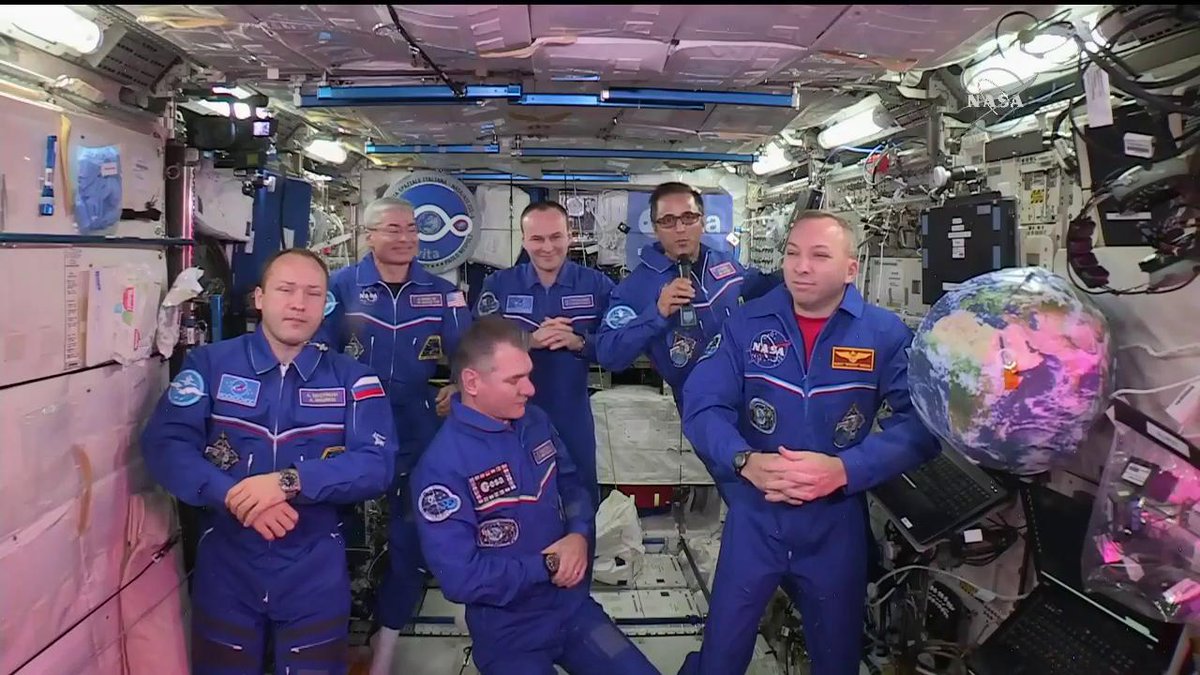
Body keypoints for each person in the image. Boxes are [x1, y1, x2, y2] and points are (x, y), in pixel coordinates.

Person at [678, 211, 940, 675]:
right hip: (756, 516)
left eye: (819, 256)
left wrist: (845, 470)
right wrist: (743, 460)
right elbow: (702, 406)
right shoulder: (745, 326)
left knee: (837, 657)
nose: (801, 266)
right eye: (793, 253)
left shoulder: (883, 334)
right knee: (722, 652)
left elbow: (923, 426)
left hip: (834, 523)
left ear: (851, 268)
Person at [141, 248, 398, 675]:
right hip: (227, 565)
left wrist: (287, 482)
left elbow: (376, 464)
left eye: (313, 293)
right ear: (259, 298)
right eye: (285, 290)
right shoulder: (211, 365)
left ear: (326, 305)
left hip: (314, 569)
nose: (299, 303)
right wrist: (235, 497)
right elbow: (165, 444)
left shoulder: (354, 379)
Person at [410, 317, 660, 675]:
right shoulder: (442, 468)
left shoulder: (535, 422)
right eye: (514, 380)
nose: (529, 389)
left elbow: (572, 485)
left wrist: (578, 533)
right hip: (508, 633)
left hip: (572, 610)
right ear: (472, 382)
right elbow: (460, 577)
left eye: (528, 375)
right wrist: (547, 565)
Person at [316, 196, 473, 669]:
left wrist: (457, 387)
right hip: (350, 423)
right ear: (369, 236)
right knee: (331, 535)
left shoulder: (443, 292)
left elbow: (468, 353)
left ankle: (384, 649)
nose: (405, 238)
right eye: (393, 229)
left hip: (416, 424)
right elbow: (317, 354)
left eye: (412, 229)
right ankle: (329, 637)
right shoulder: (340, 287)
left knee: (410, 535)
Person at [472, 201, 615, 508]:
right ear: (524, 240)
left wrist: (579, 342)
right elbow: (477, 344)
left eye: (555, 237)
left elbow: (618, 347)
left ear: (570, 236)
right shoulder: (499, 285)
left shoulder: (597, 286)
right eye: (537, 239)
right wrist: (527, 340)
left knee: (580, 497)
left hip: (572, 415)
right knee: (515, 498)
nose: (547, 247)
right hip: (512, 416)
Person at [594, 182, 748, 413]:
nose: (680, 228)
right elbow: (608, 353)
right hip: (701, 408)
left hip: (752, 393)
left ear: (703, 221)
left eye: (688, 217)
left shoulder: (726, 264)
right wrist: (656, 314)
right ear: (655, 228)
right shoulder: (637, 287)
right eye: (668, 220)